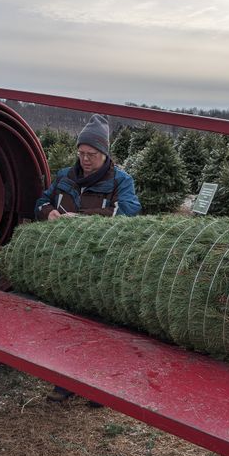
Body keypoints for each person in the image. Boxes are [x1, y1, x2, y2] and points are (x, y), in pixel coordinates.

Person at [35, 114, 141, 403]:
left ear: (104, 153)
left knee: (100, 325)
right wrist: (49, 213)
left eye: (91, 154)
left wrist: (80, 219)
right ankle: (65, 380)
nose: (85, 159)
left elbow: (129, 212)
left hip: (101, 263)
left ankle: (100, 386)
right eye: (81, 153)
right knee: (67, 320)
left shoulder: (120, 181)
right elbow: (41, 201)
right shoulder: (64, 177)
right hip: (66, 262)